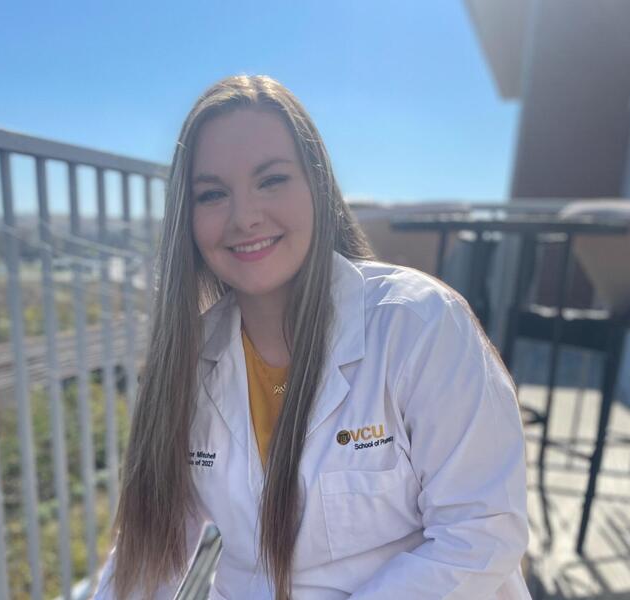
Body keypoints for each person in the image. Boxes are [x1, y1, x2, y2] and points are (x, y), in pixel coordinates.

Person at [95, 75, 530, 599]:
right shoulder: (190, 360)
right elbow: (151, 547)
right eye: (212, 194)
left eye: (271, 180)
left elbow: (481, 533)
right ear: (186, 221)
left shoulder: (418, 324)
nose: (245, 216)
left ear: (317, 187)